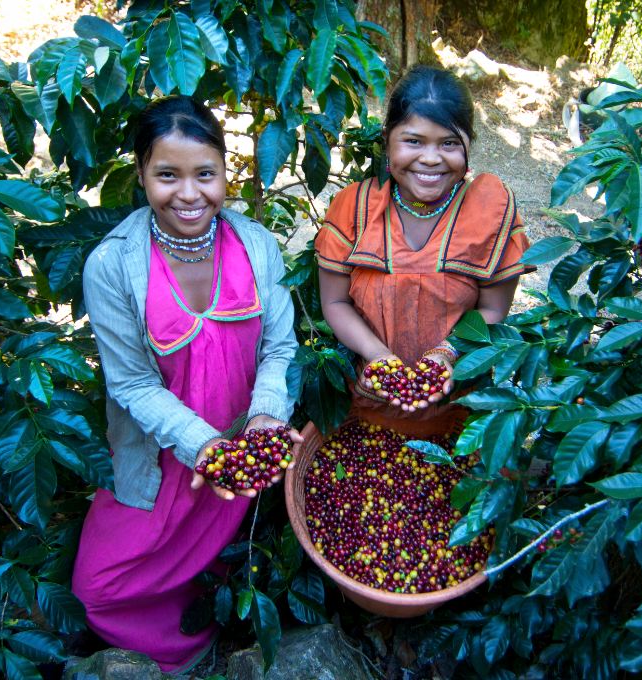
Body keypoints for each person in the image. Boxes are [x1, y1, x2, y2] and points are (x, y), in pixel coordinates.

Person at [72, 95, 300, 672]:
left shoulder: (257, 245)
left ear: (226, 173)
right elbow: (132, 385)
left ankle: (213, 630)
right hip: (165, 451)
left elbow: (278, 347)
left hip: (241, 443)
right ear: (141, 175)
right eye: (166, 175)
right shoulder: (113, 264)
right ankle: (168, 653)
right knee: (99, 585)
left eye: (206, 174)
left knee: (216, 557)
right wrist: (206, 448)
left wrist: (266, 418)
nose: (189, 194)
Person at [315, 65, 533, 437]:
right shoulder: (354, 209)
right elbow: (335, 303)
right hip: (370, 404)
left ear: (469, 143)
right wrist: (379, 358)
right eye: (413, 141)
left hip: (461, 409)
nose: (431, 158)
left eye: (449, 143)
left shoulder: (489, 210)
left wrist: (447, 354)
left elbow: (493, 308)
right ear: (387, 140)